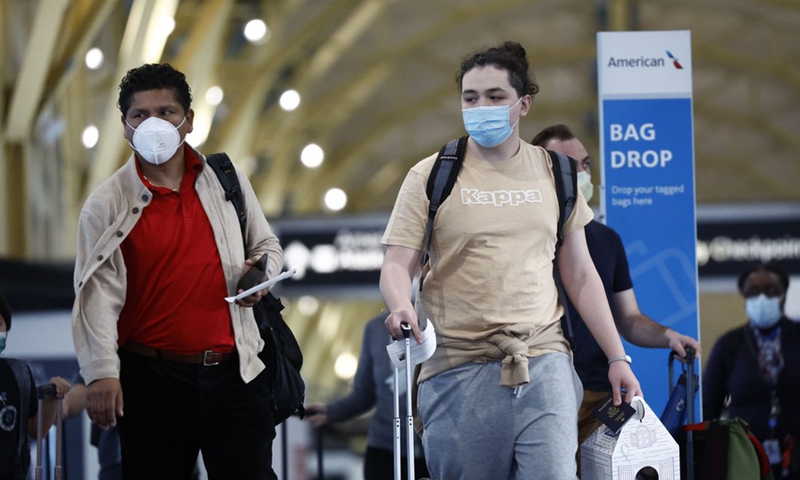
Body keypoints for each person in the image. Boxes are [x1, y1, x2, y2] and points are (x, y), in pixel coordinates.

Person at [379, 41, 642, 480]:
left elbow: (580, 274)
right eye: (470, 97)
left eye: (495, 96)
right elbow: (396, 263)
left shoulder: (557, 174)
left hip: (545, 360)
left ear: (523, 104)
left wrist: (618, 357)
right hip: (456, 367)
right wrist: (399, 304)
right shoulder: (432, 174)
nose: (481, 106)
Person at [71, 63, 284, 480]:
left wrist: (263, 272)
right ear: (125, 126)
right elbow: (95, 295)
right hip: (151, 380)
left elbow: (266, 246)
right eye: (140, 115)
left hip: (235, 372)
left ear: (189, 121)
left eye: (166, 112)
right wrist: (101, 374)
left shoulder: (227, 179)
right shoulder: (105, 203)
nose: (153, 124)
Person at [531, 124, 701, 446]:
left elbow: (629, 318)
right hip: (542, 389)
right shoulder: (525, 235)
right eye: (569, 165)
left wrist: (669, 337)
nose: (581, 172)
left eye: (585, 164)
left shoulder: (606, 240)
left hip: (599, 394)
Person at [304, 310, 430, 480]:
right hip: (385, 449)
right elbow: (364, 392)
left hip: (434, 449)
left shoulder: (441, 325)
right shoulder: (376, 329)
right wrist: (331, 411)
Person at [703, 262, 800, 479]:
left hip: (795, 451)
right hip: (747, 453)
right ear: (744, 296)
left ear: (783, 294)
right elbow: (709, 406)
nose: (762, 298)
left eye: (771, 290)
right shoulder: (729, 344)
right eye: (754, 292)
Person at [0, 293, 71, 479]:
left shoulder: (19, 373)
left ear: (6, 330)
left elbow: (35, 429)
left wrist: (49, 399)